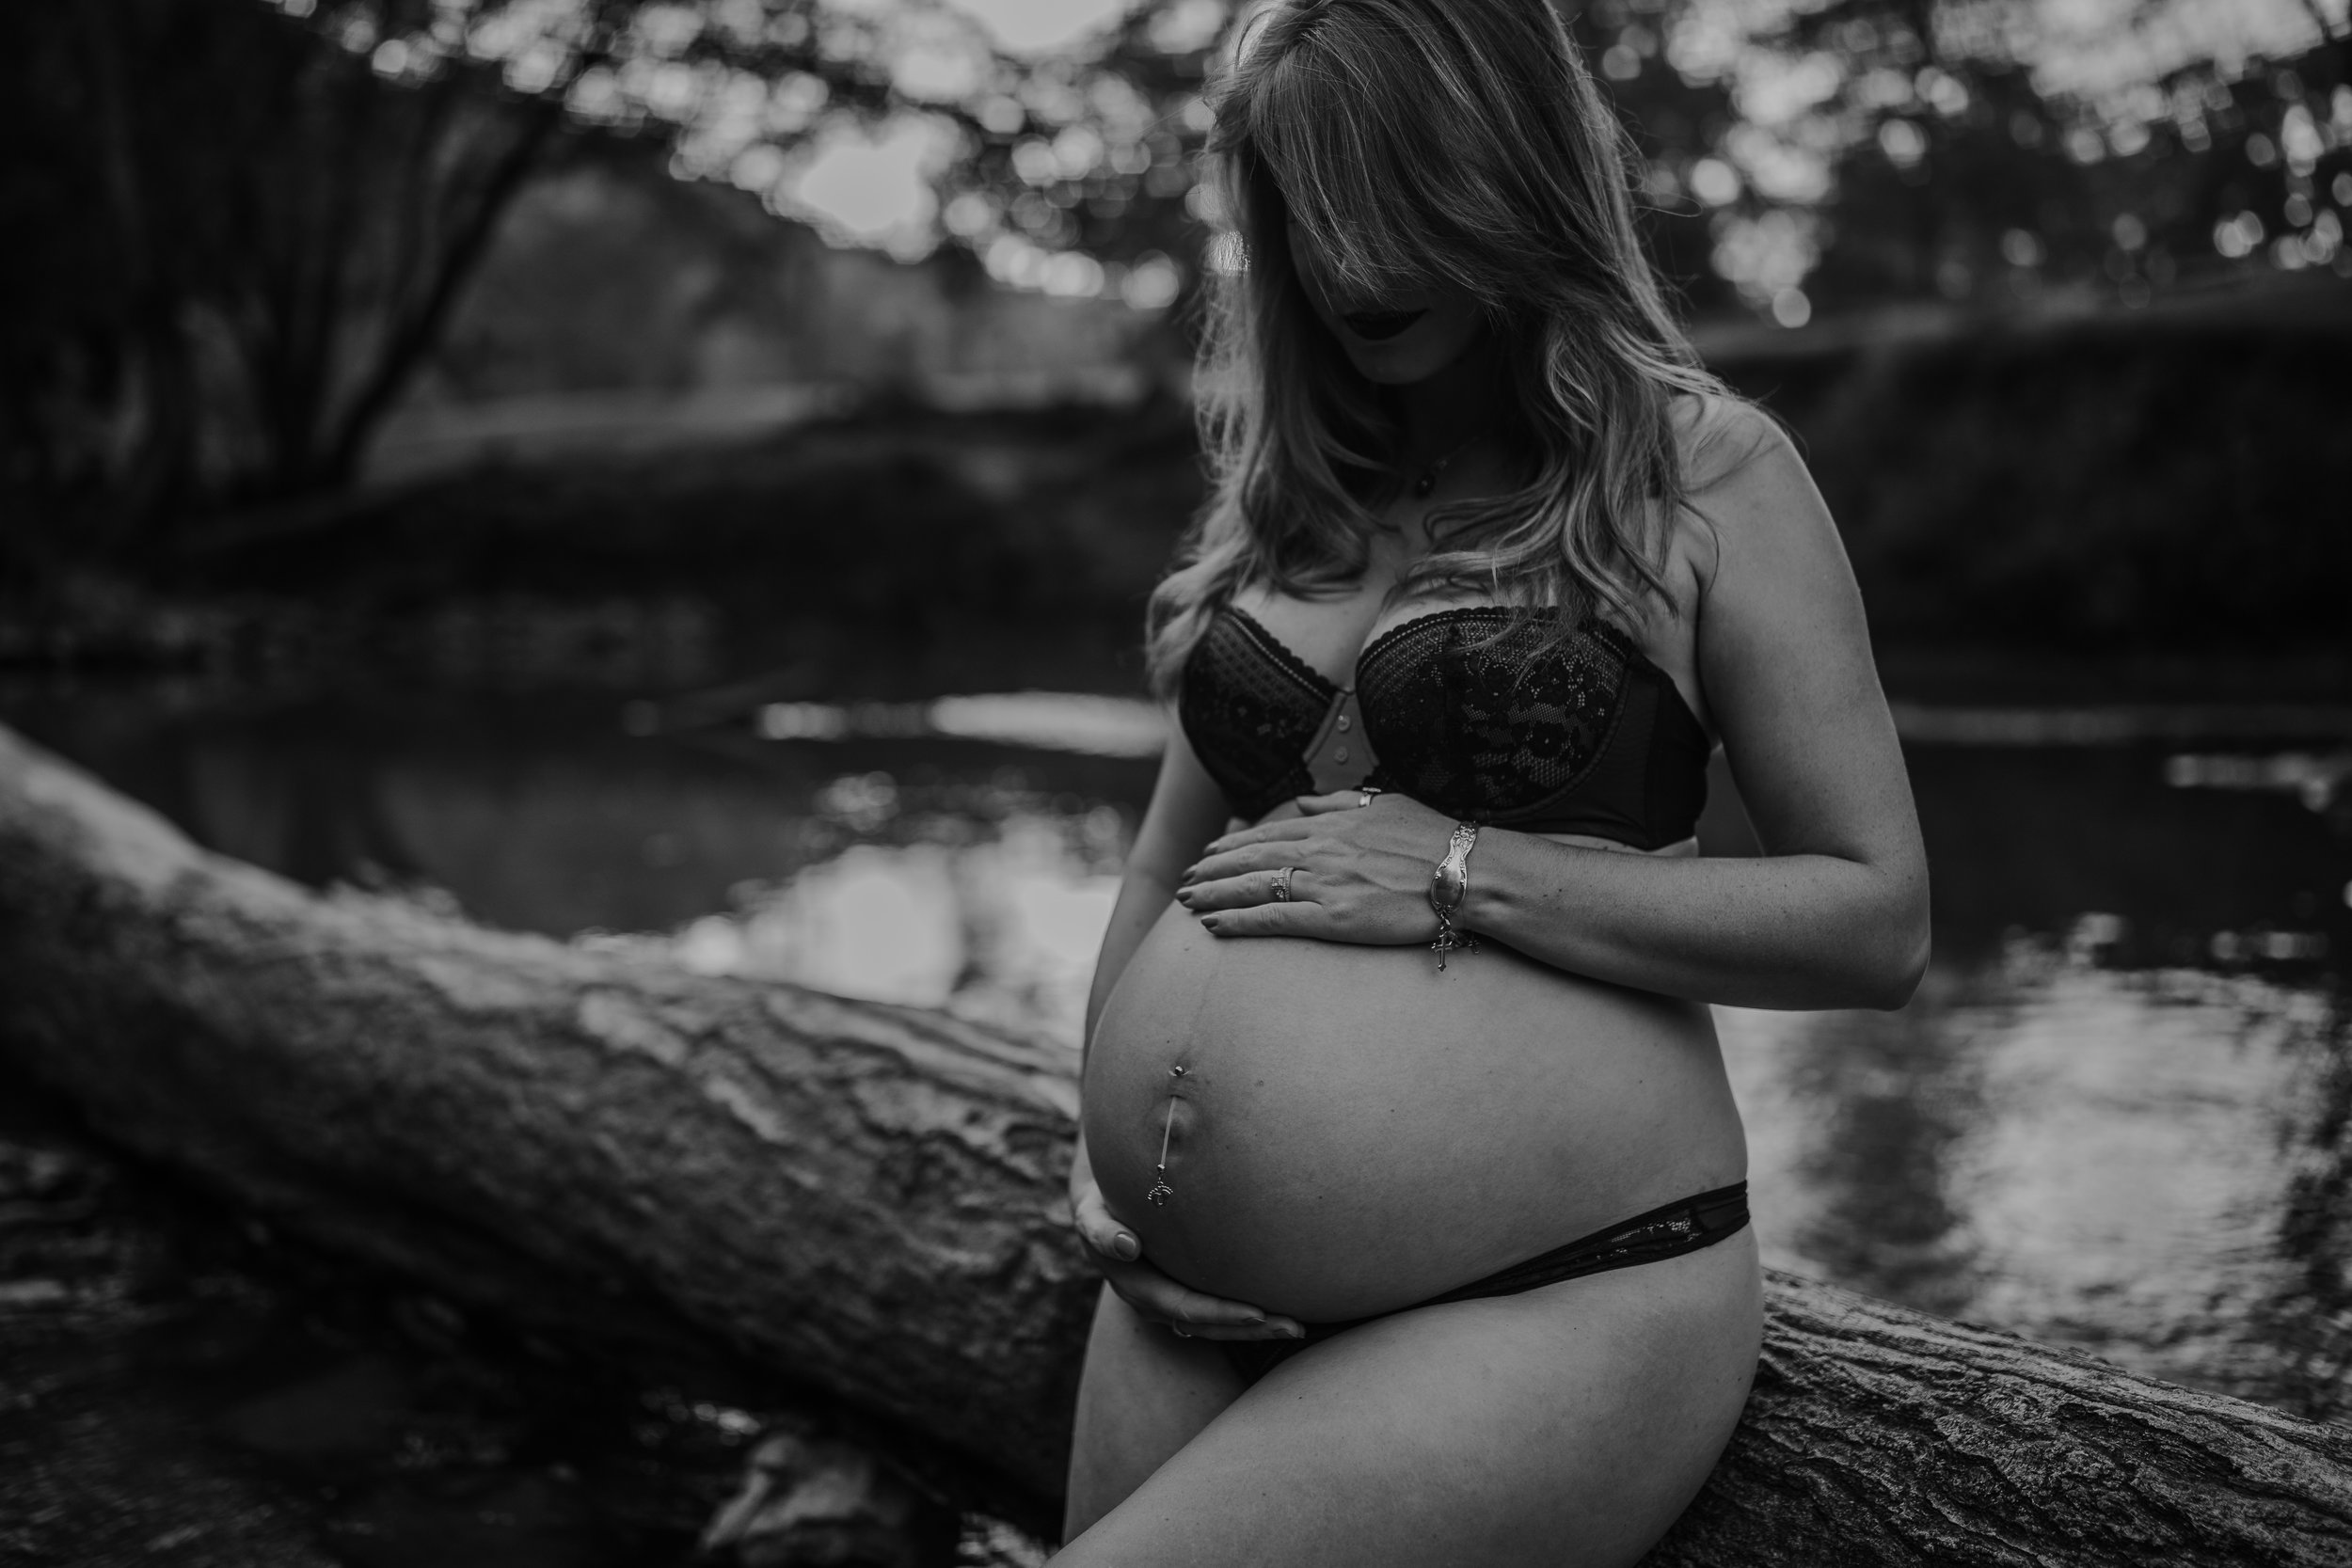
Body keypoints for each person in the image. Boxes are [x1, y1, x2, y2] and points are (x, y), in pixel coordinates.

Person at [1057, 1, 1928, 1561]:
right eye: (1302, 206)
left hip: (1555, 1288)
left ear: (1499, 165)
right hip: (1186, 1301)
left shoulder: (1701, 472)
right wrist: (1101, 1159)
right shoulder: (1296, 492)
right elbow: (1158, 868)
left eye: (1383, 191)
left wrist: (1458, 867)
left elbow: (1874, 921)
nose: (1345, 257)